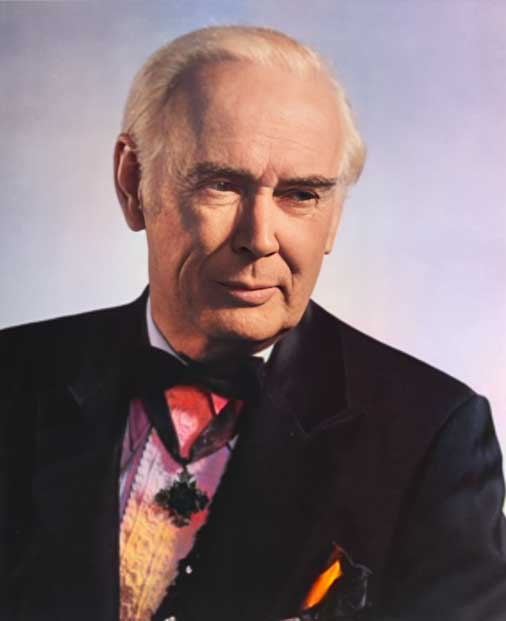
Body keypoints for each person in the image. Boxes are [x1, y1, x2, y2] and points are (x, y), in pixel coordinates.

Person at [1, 25, 505, 621]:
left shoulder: (432, 436)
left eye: (301, 195)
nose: (259, 239)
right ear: (133, 183)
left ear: (335, 216)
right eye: (221, 184)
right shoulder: (13, 379)